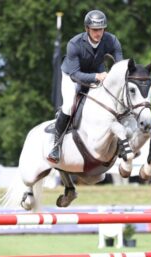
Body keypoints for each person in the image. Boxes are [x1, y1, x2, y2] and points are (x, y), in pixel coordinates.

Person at [48, 10, 123, 163]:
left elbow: (120, 66)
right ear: (86, 29)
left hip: (96, 71)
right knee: (69, 105)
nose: (98, 33)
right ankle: (56, 145)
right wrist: (97, 76)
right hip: (72, 76)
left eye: (101, 29)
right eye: (94, 30)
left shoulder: (111, 41)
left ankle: (121, 141)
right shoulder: (74, 44)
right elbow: (76, 74)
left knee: (115, 101)